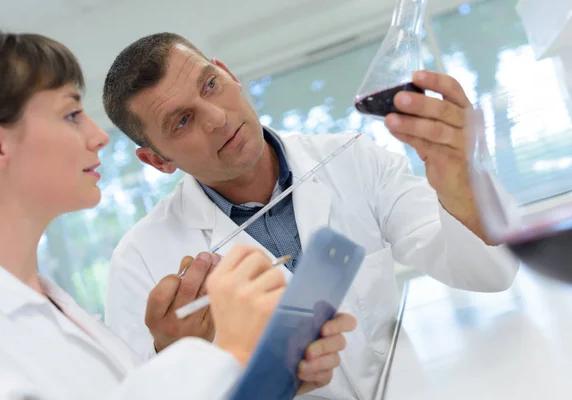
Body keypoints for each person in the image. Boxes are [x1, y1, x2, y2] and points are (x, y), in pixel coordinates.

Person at [102, 32, 520, 399]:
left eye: (210, 85)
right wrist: (179, 358)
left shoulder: (352, 158)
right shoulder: (140, 261)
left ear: (228, 73)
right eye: (181, 121)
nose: (216, 118)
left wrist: (462, 188)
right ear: (157, 160)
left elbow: (490, 274)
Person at [0, 24, 356, 399]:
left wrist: (264, 380)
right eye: (71, 114)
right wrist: (233, 354)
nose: (100, 137)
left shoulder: (55, 307)